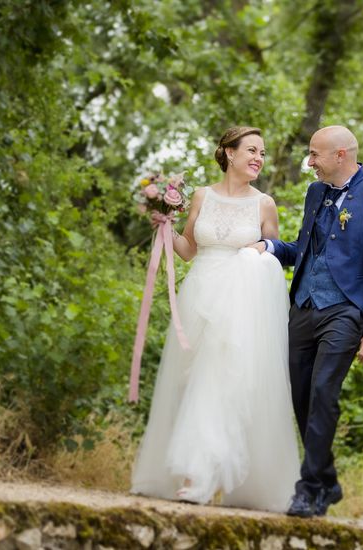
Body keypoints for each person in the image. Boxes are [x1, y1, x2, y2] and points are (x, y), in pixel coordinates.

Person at [130, 127, 300, 513]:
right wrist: (165, 226)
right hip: (200, 294)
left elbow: (276, 253)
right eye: (252, 150)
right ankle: (195, 472)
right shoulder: (203, 196)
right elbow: (189, 249)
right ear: (229, 153)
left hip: (242, 302)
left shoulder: (265, 204)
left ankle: (199, 477)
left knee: (219, 381)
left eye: (263, 152)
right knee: (191, 381)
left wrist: (260, 250)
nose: (259, 157)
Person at [251, 125, 363, 518]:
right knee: (300, 394)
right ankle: (328, 480)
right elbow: (306, 251)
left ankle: (309, 489)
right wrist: (268, 247)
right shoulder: (315, 193)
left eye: (315, 154)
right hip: (302, 306)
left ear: (340, 155)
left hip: (346, 310)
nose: (310, 161)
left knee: (323, 392)